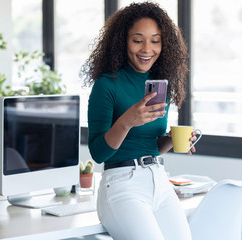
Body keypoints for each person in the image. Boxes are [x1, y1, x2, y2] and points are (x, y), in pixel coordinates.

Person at [83, 2, 198, 240]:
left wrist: (171, 141)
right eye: (138, 40)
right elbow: (98, 153)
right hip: (121, 186)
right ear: (122, 42)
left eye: (155, 40)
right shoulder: (107, 85)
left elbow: (149, 146)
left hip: (158, 179)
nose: (147, 49)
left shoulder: (159, 84)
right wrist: (126, 121)